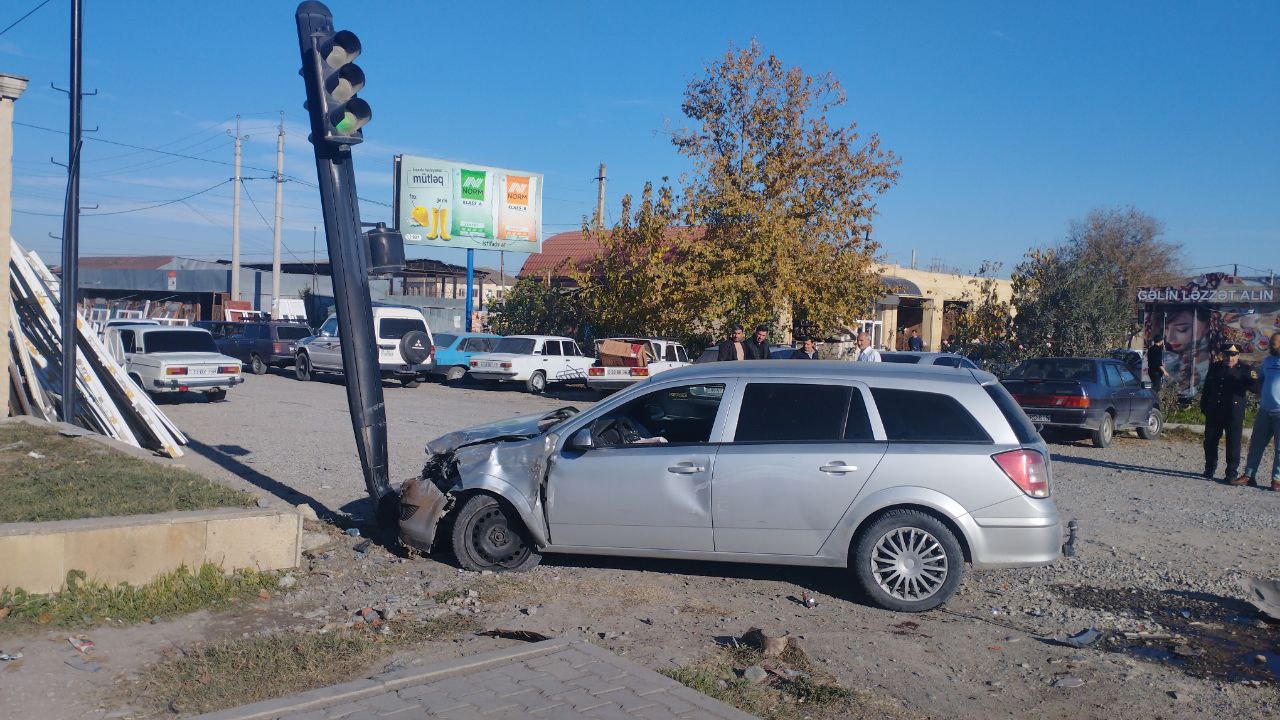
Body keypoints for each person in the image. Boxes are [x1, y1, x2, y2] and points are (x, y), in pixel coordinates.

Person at [1201, 344, 1254, 481]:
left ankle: (1231, 474)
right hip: (1215, 410)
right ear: (1223, 355)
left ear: (1238, 356)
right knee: (1210, 441)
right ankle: (1209, 469)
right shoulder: (1215, 367)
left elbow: (1254, 387)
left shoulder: (1245, 370)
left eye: (1233, 355)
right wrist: (1204, 406)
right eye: (1227, 355)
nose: (1229, 358)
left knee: (1233, 443)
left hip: (1233, 413)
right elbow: (1207, 388)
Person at [1234, 331, 1280, 490]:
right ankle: (1249, 475)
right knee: (1256, 444)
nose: (1272, 344)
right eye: (1272, 341)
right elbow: (1260, 380)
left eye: (1275, 342)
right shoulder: (1268, 361)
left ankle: (1277, 480)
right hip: (1265, 409)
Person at [1146, 333, 1169, 403]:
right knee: (1156, 388)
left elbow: (1151, 359)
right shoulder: (1158, 350)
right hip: (1156, 372)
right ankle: (1153, 401)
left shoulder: (1150, 349)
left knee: (1154, 386)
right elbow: (1159, 363)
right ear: (1161, 341)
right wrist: (1165, 372)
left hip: (1150, 370)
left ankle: (1152, 399)